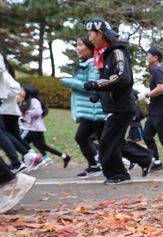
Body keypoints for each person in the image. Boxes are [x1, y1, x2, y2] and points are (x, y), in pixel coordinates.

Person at [84, 17, 153, 184]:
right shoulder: (106, 55)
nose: (89, 38)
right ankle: (144, 158)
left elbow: (123, 78)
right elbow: (108, 81)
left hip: (122, 106)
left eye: (90, 34)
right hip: (115, 106)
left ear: (100, 34)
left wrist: (96, 85)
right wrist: (97, 93)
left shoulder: (117, 51)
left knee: (107, 142)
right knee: (114, 141)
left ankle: (119, 175)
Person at [61, 35, 105, 178]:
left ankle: (142, 158)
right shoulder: (86, 63)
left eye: (80, 45)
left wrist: (69, 82)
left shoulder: (93, 64)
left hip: (94, 110)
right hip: (89, 110)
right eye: (76, 45)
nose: (77, 48)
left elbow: (93, 86)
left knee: (87, 137)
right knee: (86, 138)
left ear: (90, 47)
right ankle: (95, 165)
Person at [18, 85, 71, 167]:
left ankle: (28, 162)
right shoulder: (27, 101)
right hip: (37, 128)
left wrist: (28, 113)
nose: (20, 91)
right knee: (43, 146)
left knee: (22, 143)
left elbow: (38, 111)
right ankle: (64, 156)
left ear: (28, 91)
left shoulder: (34, 100)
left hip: (33, 128)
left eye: (22, 90)